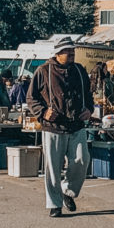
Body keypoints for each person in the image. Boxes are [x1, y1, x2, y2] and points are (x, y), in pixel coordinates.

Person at [26, 38, 93, 217]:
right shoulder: (43, 71)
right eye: (67, 52)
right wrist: (42, 112)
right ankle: (55, 204)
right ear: (58, 53)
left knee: (82, 160)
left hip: (76, 125)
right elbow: (31, 98)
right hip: (53, 126)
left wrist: (89, 110)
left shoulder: (79, 70)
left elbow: (88, 95)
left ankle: (68, 191)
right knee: (52, 168)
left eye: (73, 52)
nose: (71, 55)